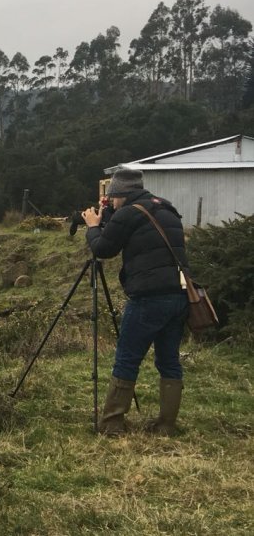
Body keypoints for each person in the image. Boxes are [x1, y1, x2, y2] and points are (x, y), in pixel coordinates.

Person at [82, 167, 189, 436]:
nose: (111, 203)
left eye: (112, 199)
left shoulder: (129, 213)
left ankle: (112, 423)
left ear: (120, 194)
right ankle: (166, 424)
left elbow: (103, 249)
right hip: (179, 294)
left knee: (127, 358)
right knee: (169, 360)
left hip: (148, 297)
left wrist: (94, 227)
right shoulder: (165, 208)